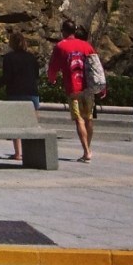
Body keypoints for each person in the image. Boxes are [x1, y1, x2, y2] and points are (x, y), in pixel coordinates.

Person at [0, 30, 40, 160]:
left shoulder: (9, 58)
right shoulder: (32, 58)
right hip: (32, 93)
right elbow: (36, 76)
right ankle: (35, 153)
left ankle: (18, 153)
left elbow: (6, 78)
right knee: (33, 125)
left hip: (16, 93)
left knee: (16, 124)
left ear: (12, 44)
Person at [47, 18, 97, 163]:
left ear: (63, 31)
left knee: (79, 119)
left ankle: (87, 152)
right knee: (88, 118)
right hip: (88, 87)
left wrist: (52, 79)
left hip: (73, 88)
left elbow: (53, 67)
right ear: (75, 31)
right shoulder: (86, 45)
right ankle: (87, 148)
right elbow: (96, 66)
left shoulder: (61, 46)